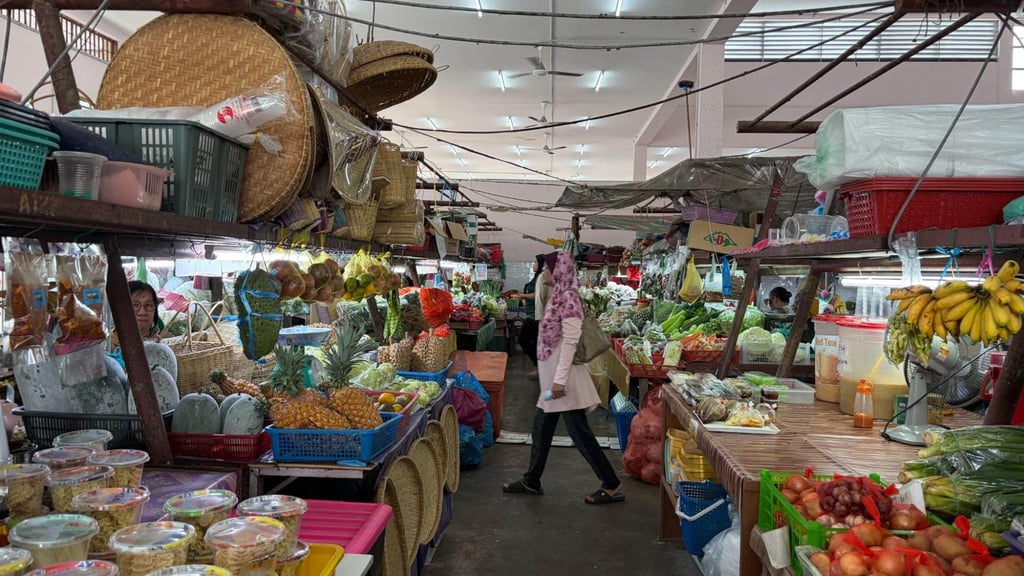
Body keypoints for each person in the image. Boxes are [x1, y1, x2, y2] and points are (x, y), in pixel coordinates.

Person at [503, 252, 625, 505]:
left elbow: (570, 341)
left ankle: (611, 484)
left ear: (559, 271)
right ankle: (531, 480)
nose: (544, 273)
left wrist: (558, 381)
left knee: (580, 434)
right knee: (542, 426)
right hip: (553, 382)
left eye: (548, 268)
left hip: (564, 383)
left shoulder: (568, 297)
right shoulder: (559, 294)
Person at [515, 255, 547, 374]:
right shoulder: (537, 277)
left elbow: (538, 294)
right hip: (532, 314)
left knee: (523, 339)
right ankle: (538, 367)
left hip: (535, 315)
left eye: (535, 262)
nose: (533, 264)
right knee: (534, 341)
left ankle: (538, 365)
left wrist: (523, 296)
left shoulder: (541, 277)